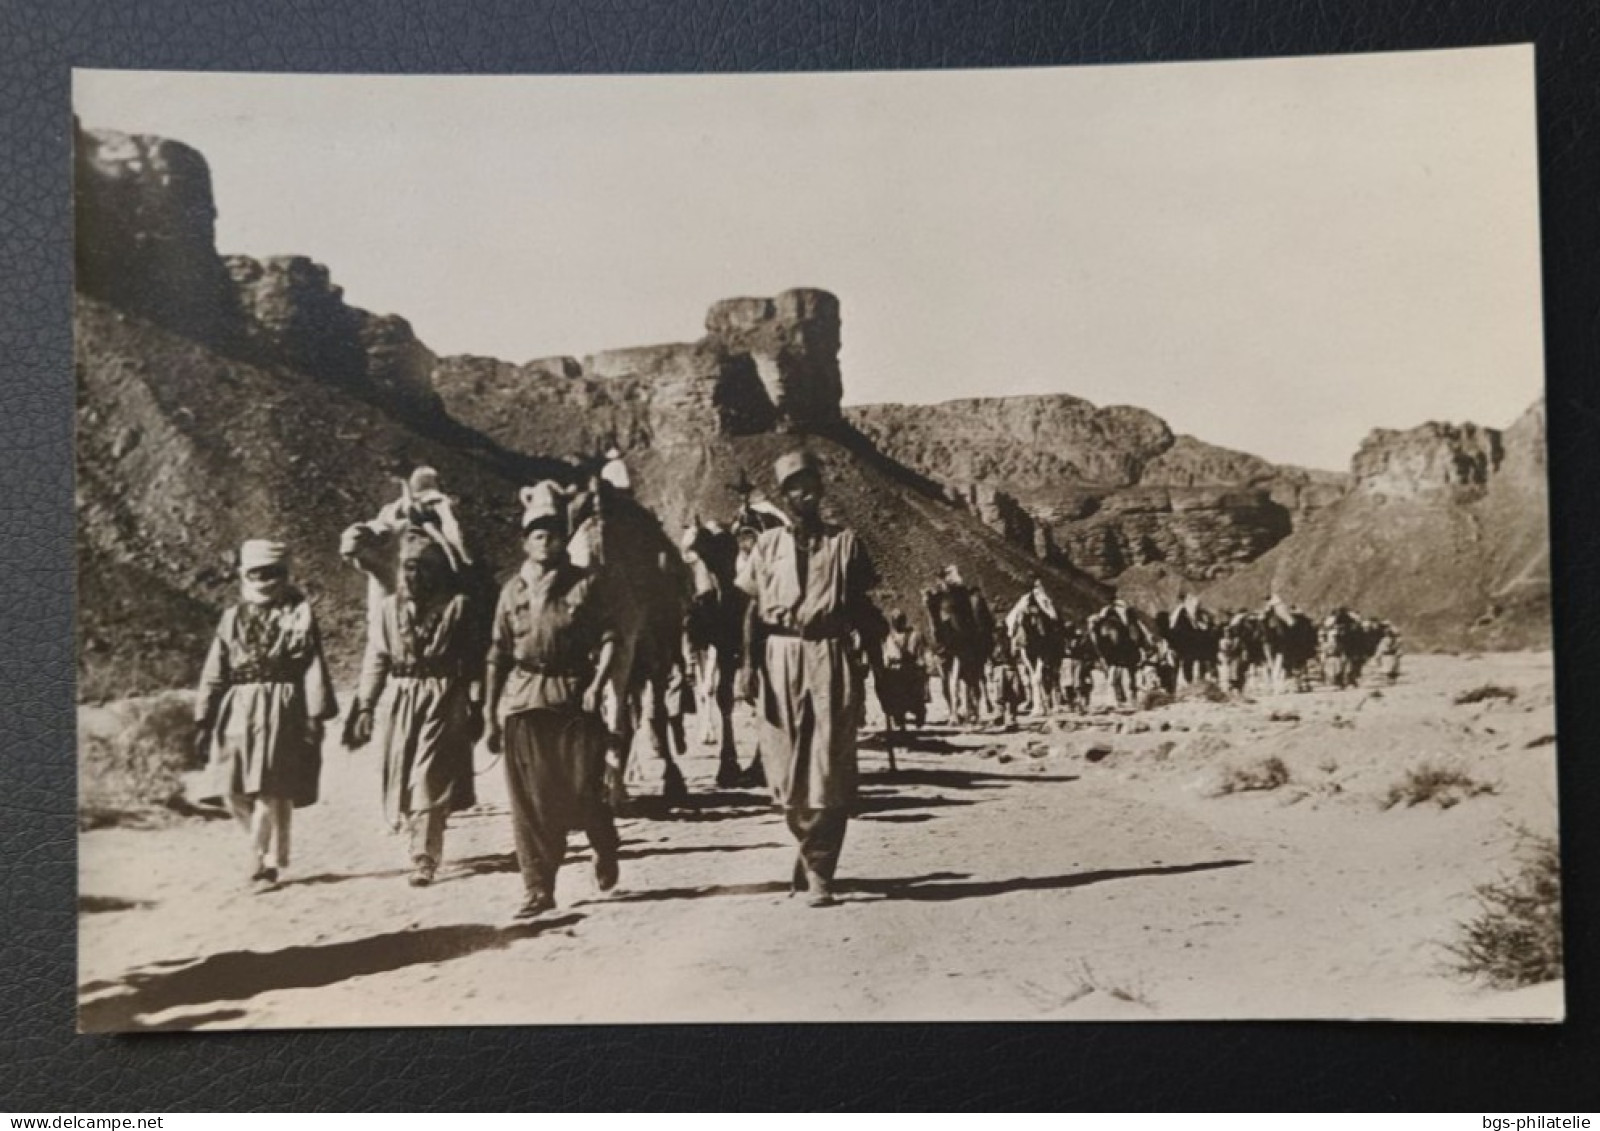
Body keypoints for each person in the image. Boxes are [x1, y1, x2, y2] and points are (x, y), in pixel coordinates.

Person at [737, 449, 884, 908]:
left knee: (828, 768)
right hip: (778, 657)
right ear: (785, 496)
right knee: (782, 770)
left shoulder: (845, 543)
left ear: (820, 491)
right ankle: (807, 845)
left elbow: (862, 608)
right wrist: (746, 665)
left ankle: (822, 870)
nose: (803, 494)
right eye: (794, 488)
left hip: (828, 655)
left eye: (810, 486)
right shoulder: (766, 546)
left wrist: (879, 662)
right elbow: (750, 611)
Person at [484, 482, 622, 920]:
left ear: (564, 539)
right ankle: (537, 887)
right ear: (526, 541)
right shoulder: (511, 592)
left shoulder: (585, 586)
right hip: (525, 705)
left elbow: (610, 639)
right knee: (531, 801)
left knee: (583, 791)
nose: (546, 541)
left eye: (553, 533)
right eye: (537, 534)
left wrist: (597, 685)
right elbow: (497, 654)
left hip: (572, 702)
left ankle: (603, 842)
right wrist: (489, 714)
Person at [194, 540, 338, 890]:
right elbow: (217, 668)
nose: (264, 580)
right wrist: (204, 717)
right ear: (245, 574)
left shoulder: (300, 616)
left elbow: (313, 666)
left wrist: (314, 716)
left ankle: (262, 864)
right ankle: (260, 849)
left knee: (269, 788)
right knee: (231, 788)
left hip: (283, 707)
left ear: (284, 575)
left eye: (272, 573)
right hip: (238, 707)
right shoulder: (232, 618)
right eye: (257, 573)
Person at [346, 527, 482, 887]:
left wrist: (477, 703)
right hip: (401, 696)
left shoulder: (458, 607)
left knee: (429, 775)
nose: (414, 575)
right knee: (403, 773)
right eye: (408, 567)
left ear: (438, 571)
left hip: (443, 696)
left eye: (423, 567)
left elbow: (473, 659)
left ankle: (424, 856)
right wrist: (365, 706)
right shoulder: (389, 610)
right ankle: (420, 832)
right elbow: (375, 658)